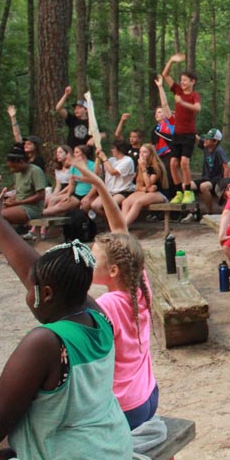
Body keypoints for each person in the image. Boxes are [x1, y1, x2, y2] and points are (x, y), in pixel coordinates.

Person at [0, 173, 133, 460]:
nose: (28, 292)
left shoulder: (46, 342)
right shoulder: (96, 314)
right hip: (112, 449)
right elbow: (34, 271)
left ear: (46, 294)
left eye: (31, 289)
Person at [71, 160, 159, 430]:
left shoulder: (106, 304)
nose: (86, 261)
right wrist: (98, 185)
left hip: (124, 409)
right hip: (148, 395)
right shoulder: (139, 286)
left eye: (92, 259)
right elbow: (121, 230)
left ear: (112, 270)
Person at [162, 52, 201, 205]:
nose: (182, 82)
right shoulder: (177, 90)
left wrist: (183, 103)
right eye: (182, 80)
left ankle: (188, 191)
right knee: (173, 163)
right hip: (177, 134)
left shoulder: (194, 95)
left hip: (189, 134)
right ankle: (178, 191)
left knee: (184, 162)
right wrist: (171, 60)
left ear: (192, 82)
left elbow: (197, 108)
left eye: (186, 80)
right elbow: (165, 75)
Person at [81, 141, 135, 220]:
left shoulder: (127, 160)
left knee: (110, 205)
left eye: (113, 148)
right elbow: (97, 172)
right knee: (95, 206)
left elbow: (113, 172)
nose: (111, 150)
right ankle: (111, 221)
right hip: (110, 191)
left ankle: (117, 222)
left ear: (119, 149)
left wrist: (104, 159)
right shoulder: (111, 160)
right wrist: (98, 158)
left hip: (123, 191)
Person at [121, 143, 170, 227]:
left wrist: (144, 169)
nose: (141, 154)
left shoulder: (156, 166)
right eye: (140, 152)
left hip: (159, 193)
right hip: (147, 191)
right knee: (125, 202)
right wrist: (145, 189)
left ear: (151, 154)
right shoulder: (140, 166)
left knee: (138, 202)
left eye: (145, 152)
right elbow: (138, 186)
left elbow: (149, 184)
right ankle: (121, 225)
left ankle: (124, 227)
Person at [42, 145, 95, 216]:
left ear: (84, 154)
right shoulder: (74, 166)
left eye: (76, 152)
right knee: (60, 206)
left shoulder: (92, 165)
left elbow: (96, 186)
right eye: (74, 152)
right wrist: (68, 194)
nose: (74, 154)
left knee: (84, 207)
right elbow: (72, 184)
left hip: (90, 194)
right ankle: (38, 214)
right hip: (77, 194)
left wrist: (88, 196)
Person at [187, 128, 229, 216]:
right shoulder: (206, 146)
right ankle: (193, 212)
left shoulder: (219, 151)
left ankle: (209, 213)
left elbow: (226, 167)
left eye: (208, 139)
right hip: (206, 178)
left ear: (215, 142)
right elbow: (196, 138)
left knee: (204, 186)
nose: (205, 140)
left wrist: (225, 183)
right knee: (187, 185)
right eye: (205, 138)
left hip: (217, 179)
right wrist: (186, 126)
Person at [6, 105, 46, 171]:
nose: (26, 145)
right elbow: (17, 135)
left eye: (29, 144)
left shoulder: (39, 160)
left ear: (35, 146)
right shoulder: (23, 155)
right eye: (25, 144)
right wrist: (13, 118)